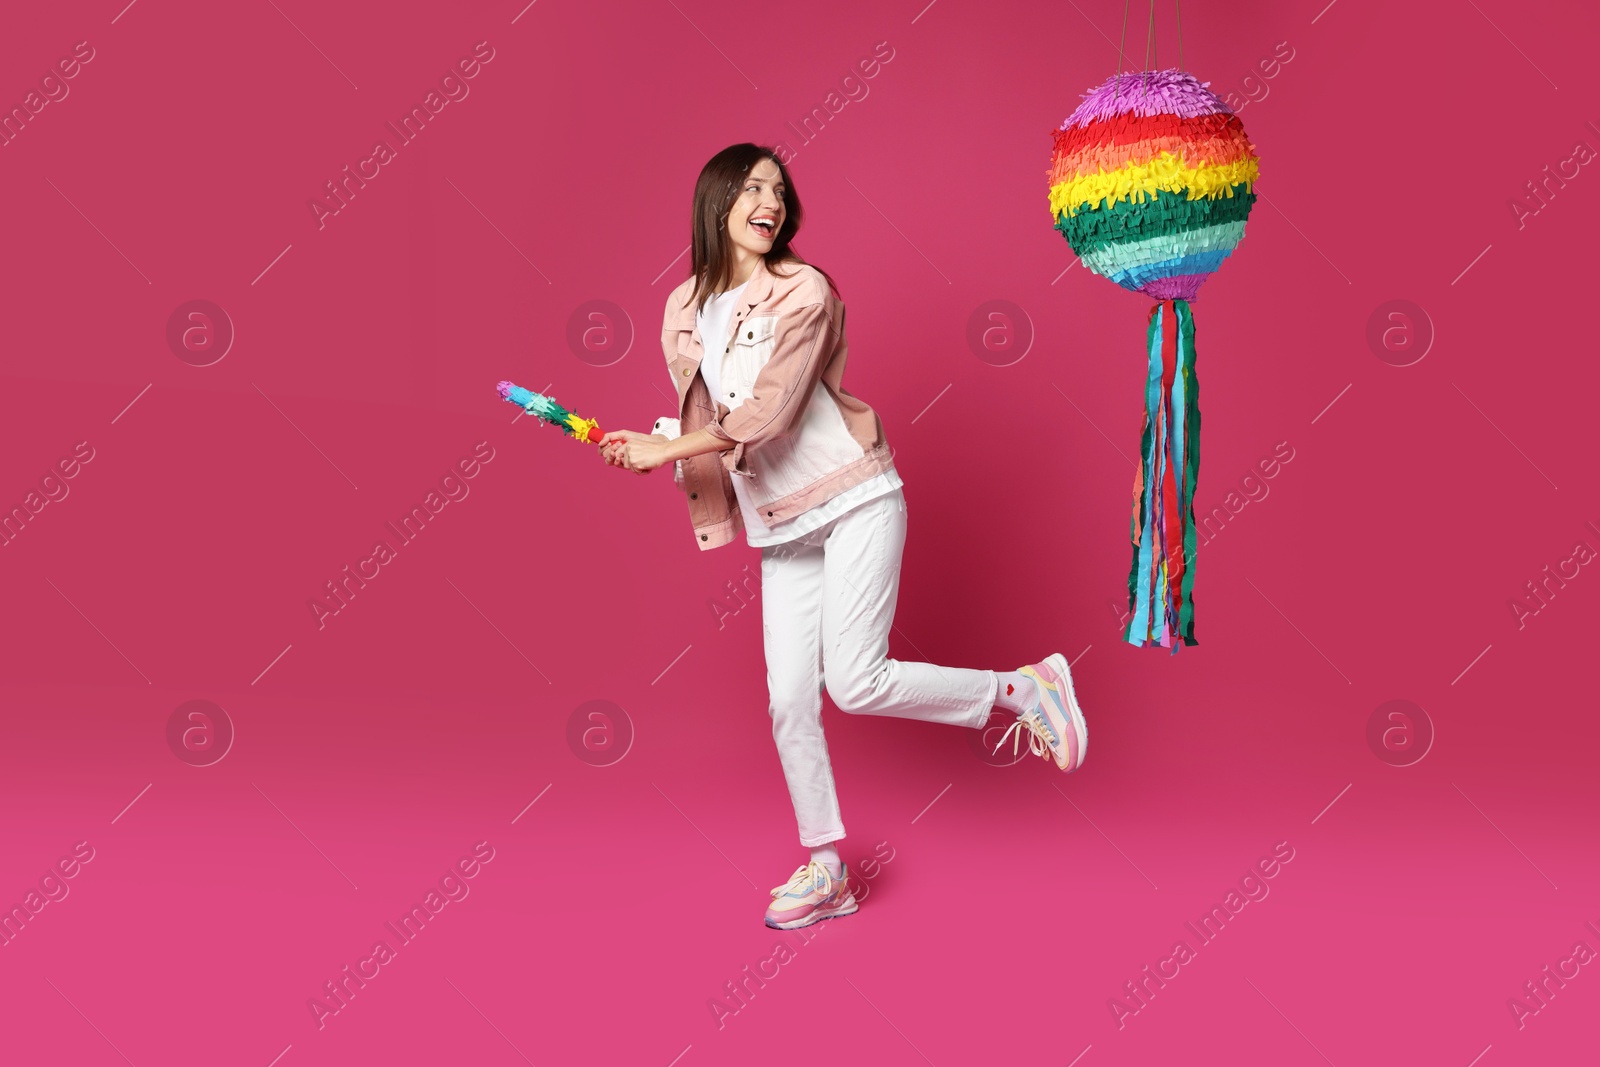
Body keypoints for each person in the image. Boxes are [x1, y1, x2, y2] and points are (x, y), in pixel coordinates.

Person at [598, 143, 1088, 930]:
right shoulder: (683, 308)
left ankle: (1026, 688)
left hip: (855, 496)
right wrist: (652, 443)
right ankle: (829, 868)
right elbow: (711, 416)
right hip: (780, 522)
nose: (772, 201)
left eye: (781, 191)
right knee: (788, 699)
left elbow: (770, 412)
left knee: (854, 680)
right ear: (716, 198)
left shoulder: (804, 291)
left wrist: (672, 449)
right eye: (755, 186)